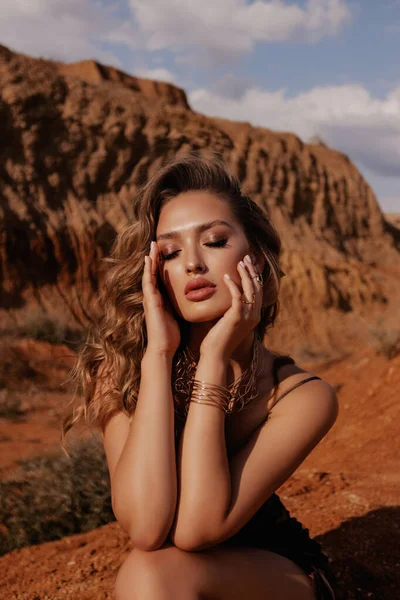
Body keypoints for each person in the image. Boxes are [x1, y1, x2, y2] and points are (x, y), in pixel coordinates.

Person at [62, 150, 339, 599]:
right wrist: (158, 357)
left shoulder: (301, 395)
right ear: (154, 272)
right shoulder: (119, 370)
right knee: (149, 571)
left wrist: (212, 360)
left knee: (151, 576)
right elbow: (147, 528)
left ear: (258, 261)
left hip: (276, 576)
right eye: (170, 251)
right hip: (170, 574)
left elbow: (196, 528)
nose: (192, 263)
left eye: (213, 241)